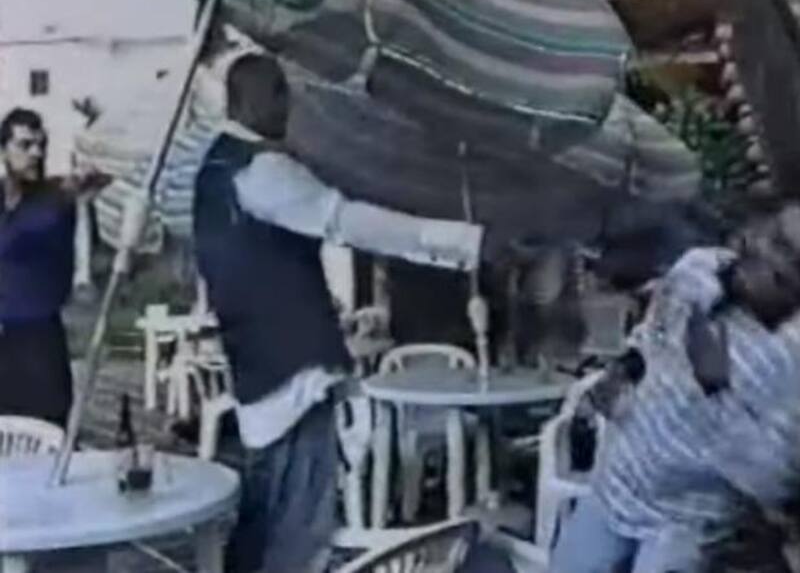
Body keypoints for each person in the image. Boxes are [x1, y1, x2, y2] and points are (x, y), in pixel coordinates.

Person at [192, 53, 485, 573]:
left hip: (257, 363)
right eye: (279, 92)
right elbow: (347, 222)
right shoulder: (262, 171)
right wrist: (461, 241)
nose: (287, 106)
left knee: (269, 512)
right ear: (246, 99)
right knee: (297, 523)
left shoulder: (214, 170)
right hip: (292, 374)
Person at [550, 204, 800, 572]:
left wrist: (715, 392)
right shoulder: (699, 267)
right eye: (768, 234)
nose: (757, 245)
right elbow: (649, 337)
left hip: (686, 527)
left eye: (780, 253)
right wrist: (622, 372)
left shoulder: (790, 360)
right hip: (614, 485)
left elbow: (773, 481)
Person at [0, 108, 107, 426]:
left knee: (48, 426)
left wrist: (85, 186)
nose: (36, 153)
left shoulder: (57, 196)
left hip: (40, 339)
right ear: (3, 150)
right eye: (25, 145)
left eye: (41, 144)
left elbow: (86, 196)